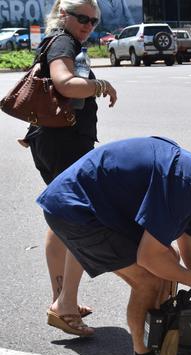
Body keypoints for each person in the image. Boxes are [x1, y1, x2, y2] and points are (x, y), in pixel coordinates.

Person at [37, 136, 191, 355]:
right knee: (150, 280)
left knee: (169, 261)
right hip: (75, 210)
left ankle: (156, 343)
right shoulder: (185, 183)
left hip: (93, 205)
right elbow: (148, 257)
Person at [17, 0, 118, 337]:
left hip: (52, 141)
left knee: (60, 219)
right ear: (63, 16)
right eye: (82, 18)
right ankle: (66, 306)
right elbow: (64, 83)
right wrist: (102, 86)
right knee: (80, 220)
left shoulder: (57, 42)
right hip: (65, 145)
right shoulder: (63, 42)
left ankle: (61, 298)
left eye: (93, 20)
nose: (88, 25)